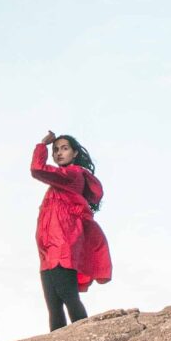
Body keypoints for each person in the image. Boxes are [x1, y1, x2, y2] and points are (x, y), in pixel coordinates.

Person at [30, 129, 112, 329]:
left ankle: (85, 337)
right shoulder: (56, 186)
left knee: (69, 297)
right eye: (55, 149)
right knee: (54, 306)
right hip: (48, 251)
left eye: (64, 148)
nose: (58, 153)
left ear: (75, 153)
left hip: (63, 246)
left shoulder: (73, 174)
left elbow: (37, 169)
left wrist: (43, 145)